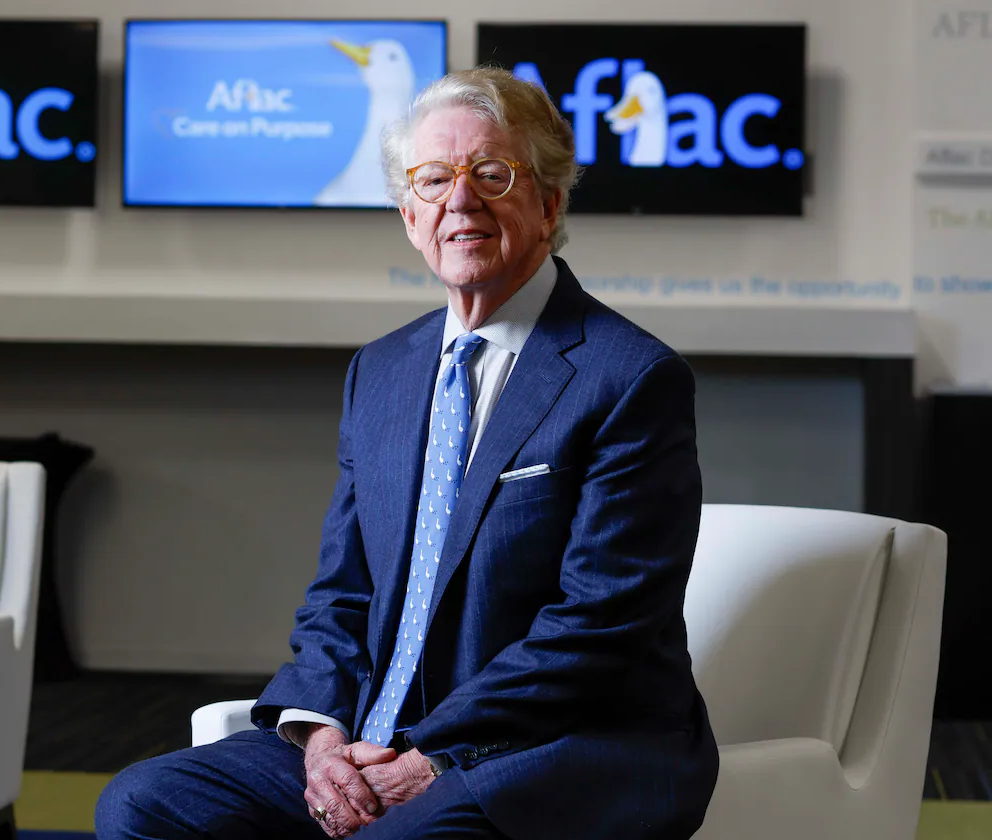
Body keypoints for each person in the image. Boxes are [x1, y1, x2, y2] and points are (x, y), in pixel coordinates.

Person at [96, 66, 718, 840]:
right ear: (407, 213)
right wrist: (321, 741)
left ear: (550, 201)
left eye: (493, 173)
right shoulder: (382, 371)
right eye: (432, 180)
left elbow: (601, 625)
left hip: (553, 742)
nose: (460, 200)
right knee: (144, 804)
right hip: (368, 732)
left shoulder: (629, 376)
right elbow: (340, 594)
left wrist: (428, 753)